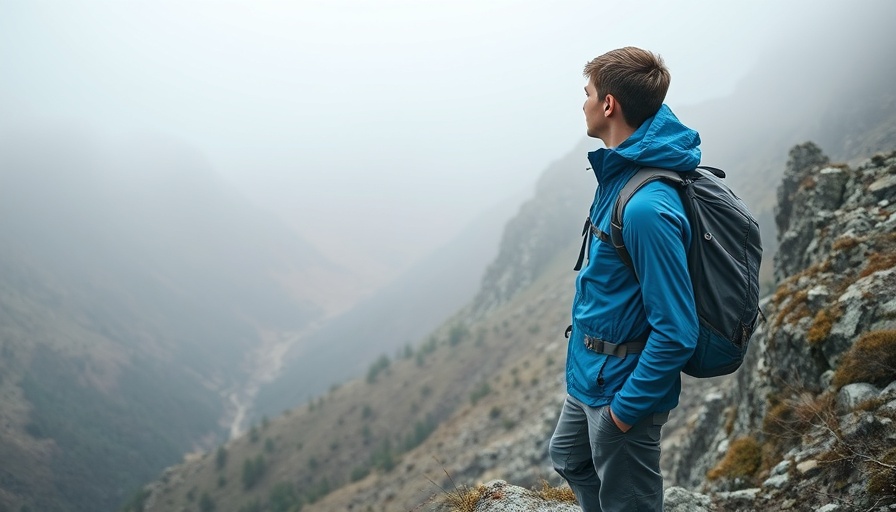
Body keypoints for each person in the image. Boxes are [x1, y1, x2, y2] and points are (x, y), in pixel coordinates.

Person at [548, 47, 700, 511]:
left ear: (609, 104)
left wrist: (623, 415)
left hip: (622, 386)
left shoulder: (646, 208)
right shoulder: (621, 170)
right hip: (591, 374)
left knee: (627, 501)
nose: (583, 103)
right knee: (570, 457)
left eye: (588, 93)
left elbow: (677, 331)